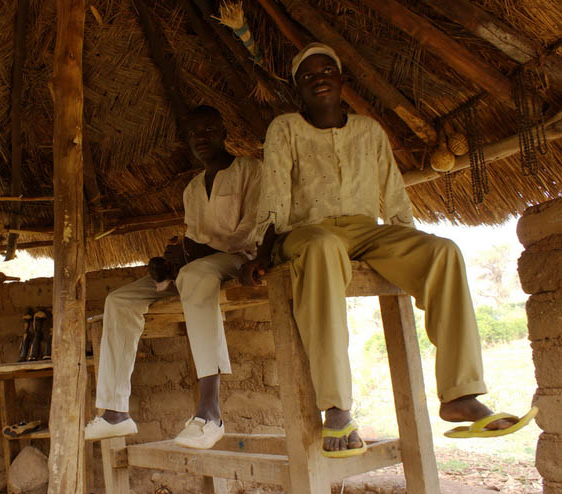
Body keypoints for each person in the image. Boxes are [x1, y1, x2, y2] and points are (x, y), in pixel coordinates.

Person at [241, 43, 537, 458]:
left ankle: (460, 394)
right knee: (325, 247)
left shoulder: (369, 131)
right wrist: (262, 252)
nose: (319, 78)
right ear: (297, 88)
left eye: (327, 70)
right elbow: (273, 194)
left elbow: (395, 198)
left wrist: (408, 249)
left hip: (366, 231)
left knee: (444, 252)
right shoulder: (285, 128)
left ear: (342, 80)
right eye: (308, 75)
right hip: (306, 232)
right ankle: (337, 407)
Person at [85, 105, 262, 449]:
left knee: (195, 274)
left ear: (224, 133)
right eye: (194, 133)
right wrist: (168, 267)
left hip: (239, 260)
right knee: (118, 300)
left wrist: (195, 254)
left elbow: (251, 230)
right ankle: (115, 412)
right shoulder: (193, 189)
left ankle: (210, 413)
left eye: (209, 130)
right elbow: (193, 242)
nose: (201, 138)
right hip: (198, 266)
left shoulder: (249, 169)